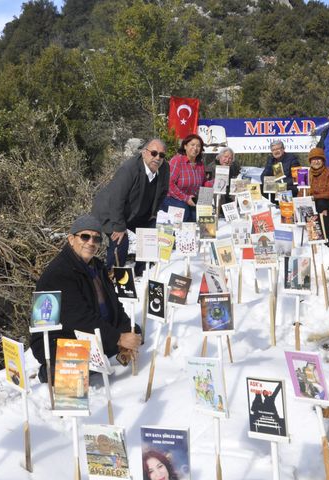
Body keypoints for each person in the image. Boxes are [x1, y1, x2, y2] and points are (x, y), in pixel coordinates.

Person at [33, 214, 142, 383]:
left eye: (96, 238)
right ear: (71, 239)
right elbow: (79, 319)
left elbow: (115, 304)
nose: (91, 242)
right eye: (85, 236)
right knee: (84, 365)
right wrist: (119, 339)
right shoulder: (59, 273)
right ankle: (49, 370)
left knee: (136, 332)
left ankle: (109, 350)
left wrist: (127, 330)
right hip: (60, 338)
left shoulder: (97, 266)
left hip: (94, 331)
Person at [93, 139, 169, 271]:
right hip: (110, 210)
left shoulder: (164, 168)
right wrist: (119, 226)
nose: (157, 158)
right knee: (121, 242)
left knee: (149, 235)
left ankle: (143, 272)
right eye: (154, 153)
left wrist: (153, 213)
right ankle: (113, 277)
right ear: (144, 152)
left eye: (161, 155)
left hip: (136, 211)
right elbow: (117, 198)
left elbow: (162, 191)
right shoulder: (129, 169)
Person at [160, 134, 206, 222]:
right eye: (192, 145)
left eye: (198, 146)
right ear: (185, 146)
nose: (195, 148)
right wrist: (186, 198)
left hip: (190, 200)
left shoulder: (200, 164)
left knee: (198, 217)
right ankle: (172, 233)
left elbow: (204, 183)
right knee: (184, 211)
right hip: (171, 198)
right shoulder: (177, 160)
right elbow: (169, 184)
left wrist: (218, 181)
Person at [307, 147, 329, 245]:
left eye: (319, 159)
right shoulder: (307, 173)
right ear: (310, 161)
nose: (316, 162)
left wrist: (315, 196)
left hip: (327, 203)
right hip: (311, 201)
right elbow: (302, 191)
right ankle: (313, 237)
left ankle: (327, 237)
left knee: (321, 204)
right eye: (313, 159)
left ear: (323, 160)